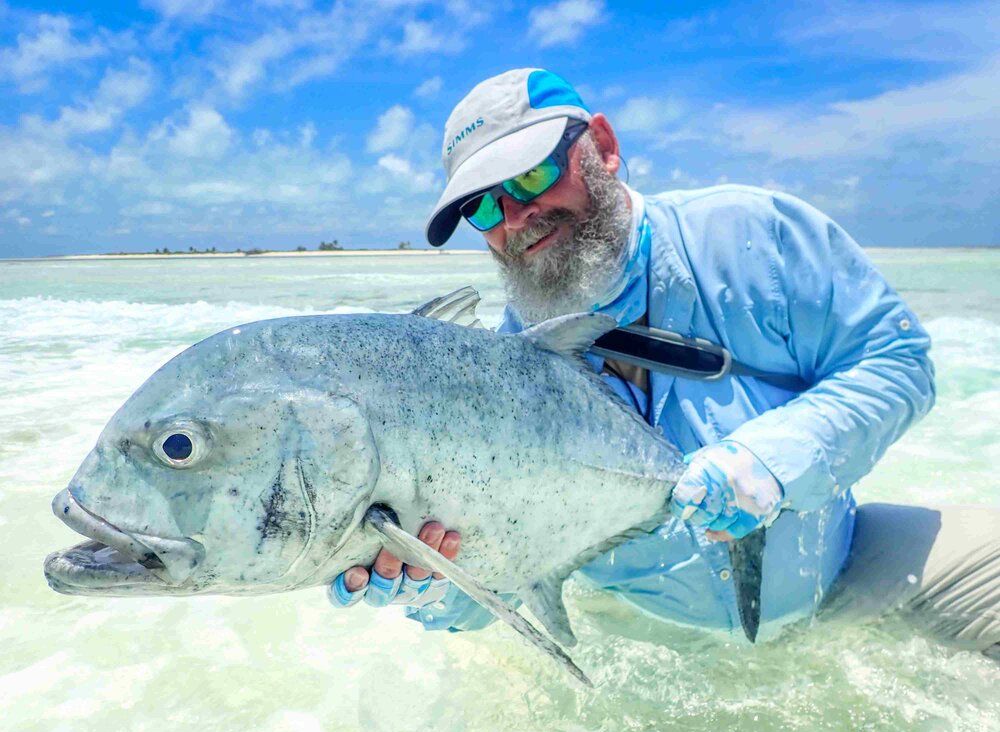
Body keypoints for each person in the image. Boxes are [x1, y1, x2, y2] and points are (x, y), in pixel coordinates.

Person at [328, 69, 1000, 654]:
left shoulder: (750, 236)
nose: (516, 215)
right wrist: (431, 585)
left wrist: (773, 462)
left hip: (844, 567)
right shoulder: (494, 372)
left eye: (532, 173)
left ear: (605, 147)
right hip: (649, 632)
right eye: (481, 205)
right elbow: (496, 574)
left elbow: (897, 358)